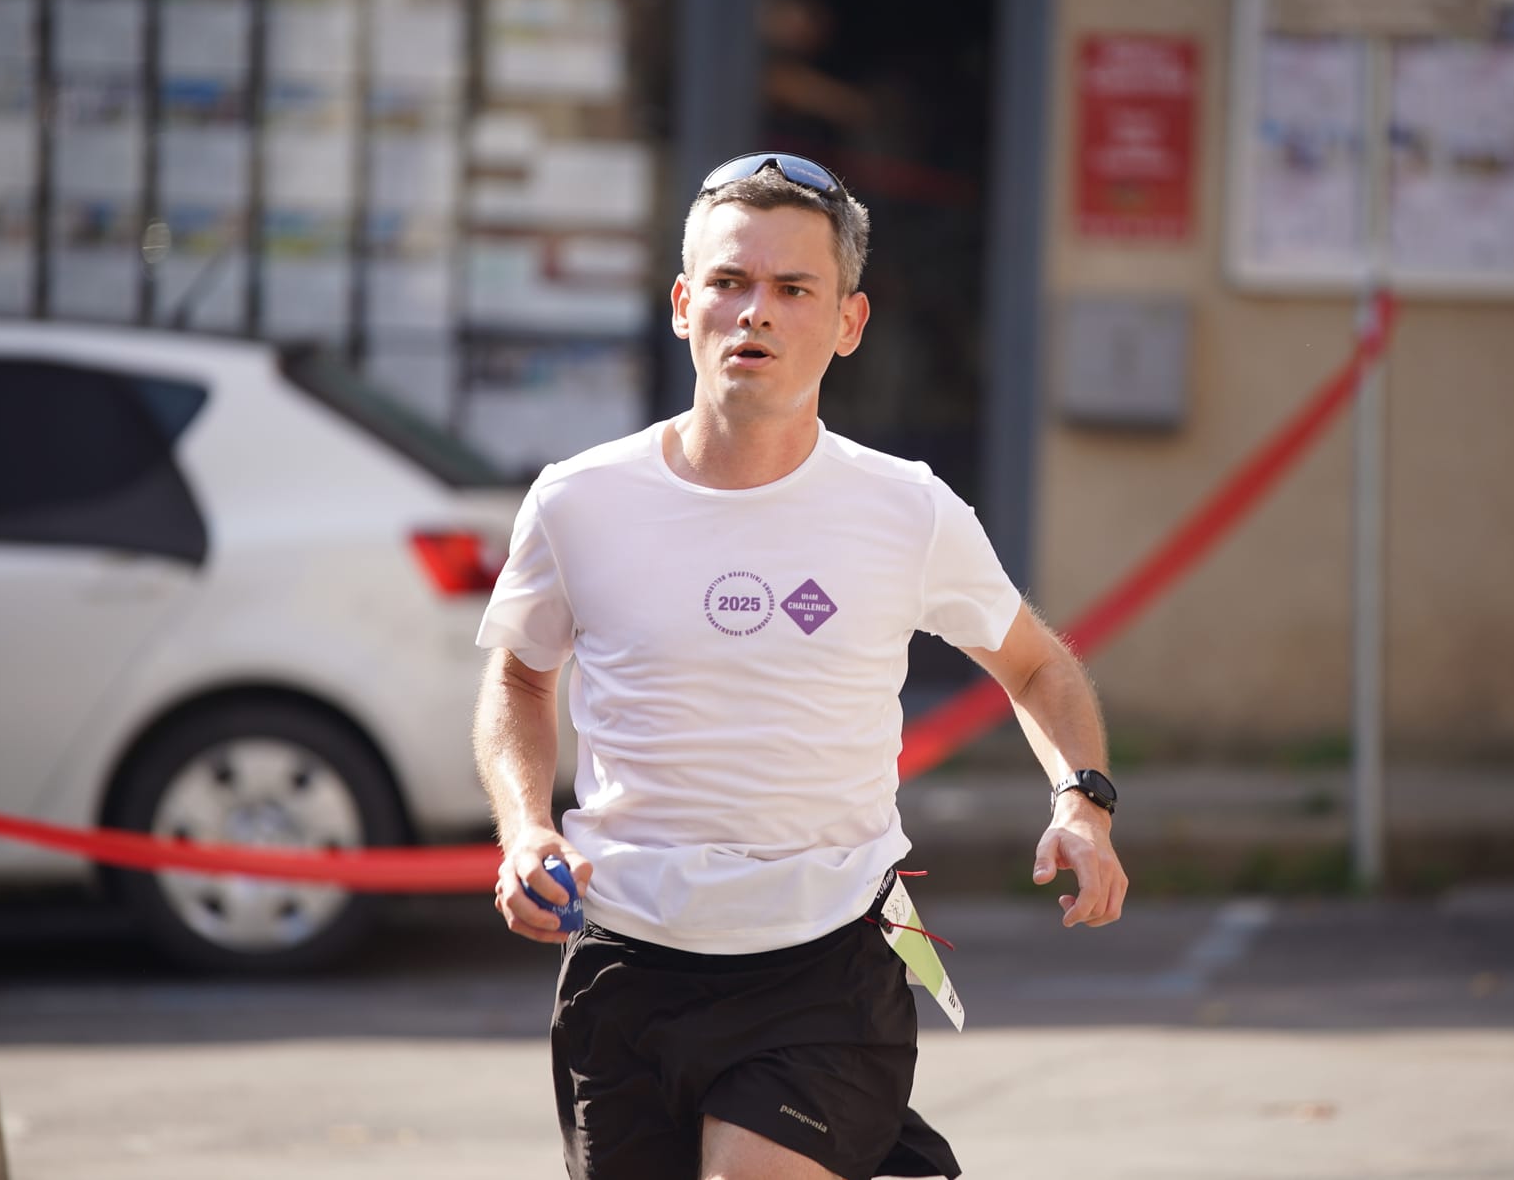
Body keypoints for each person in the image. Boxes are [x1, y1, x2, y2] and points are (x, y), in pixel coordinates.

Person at [472, 151, 1127, 1180]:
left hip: (826, 954)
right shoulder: (577, 500)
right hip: (623, 962)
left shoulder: (905, 509)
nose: (755, 314)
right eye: (729, 283)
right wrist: (523, 828)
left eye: (792, 289)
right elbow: (517, 678)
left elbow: (1037, 666)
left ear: (848, 323)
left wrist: (1080, 802)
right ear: (684, 304)